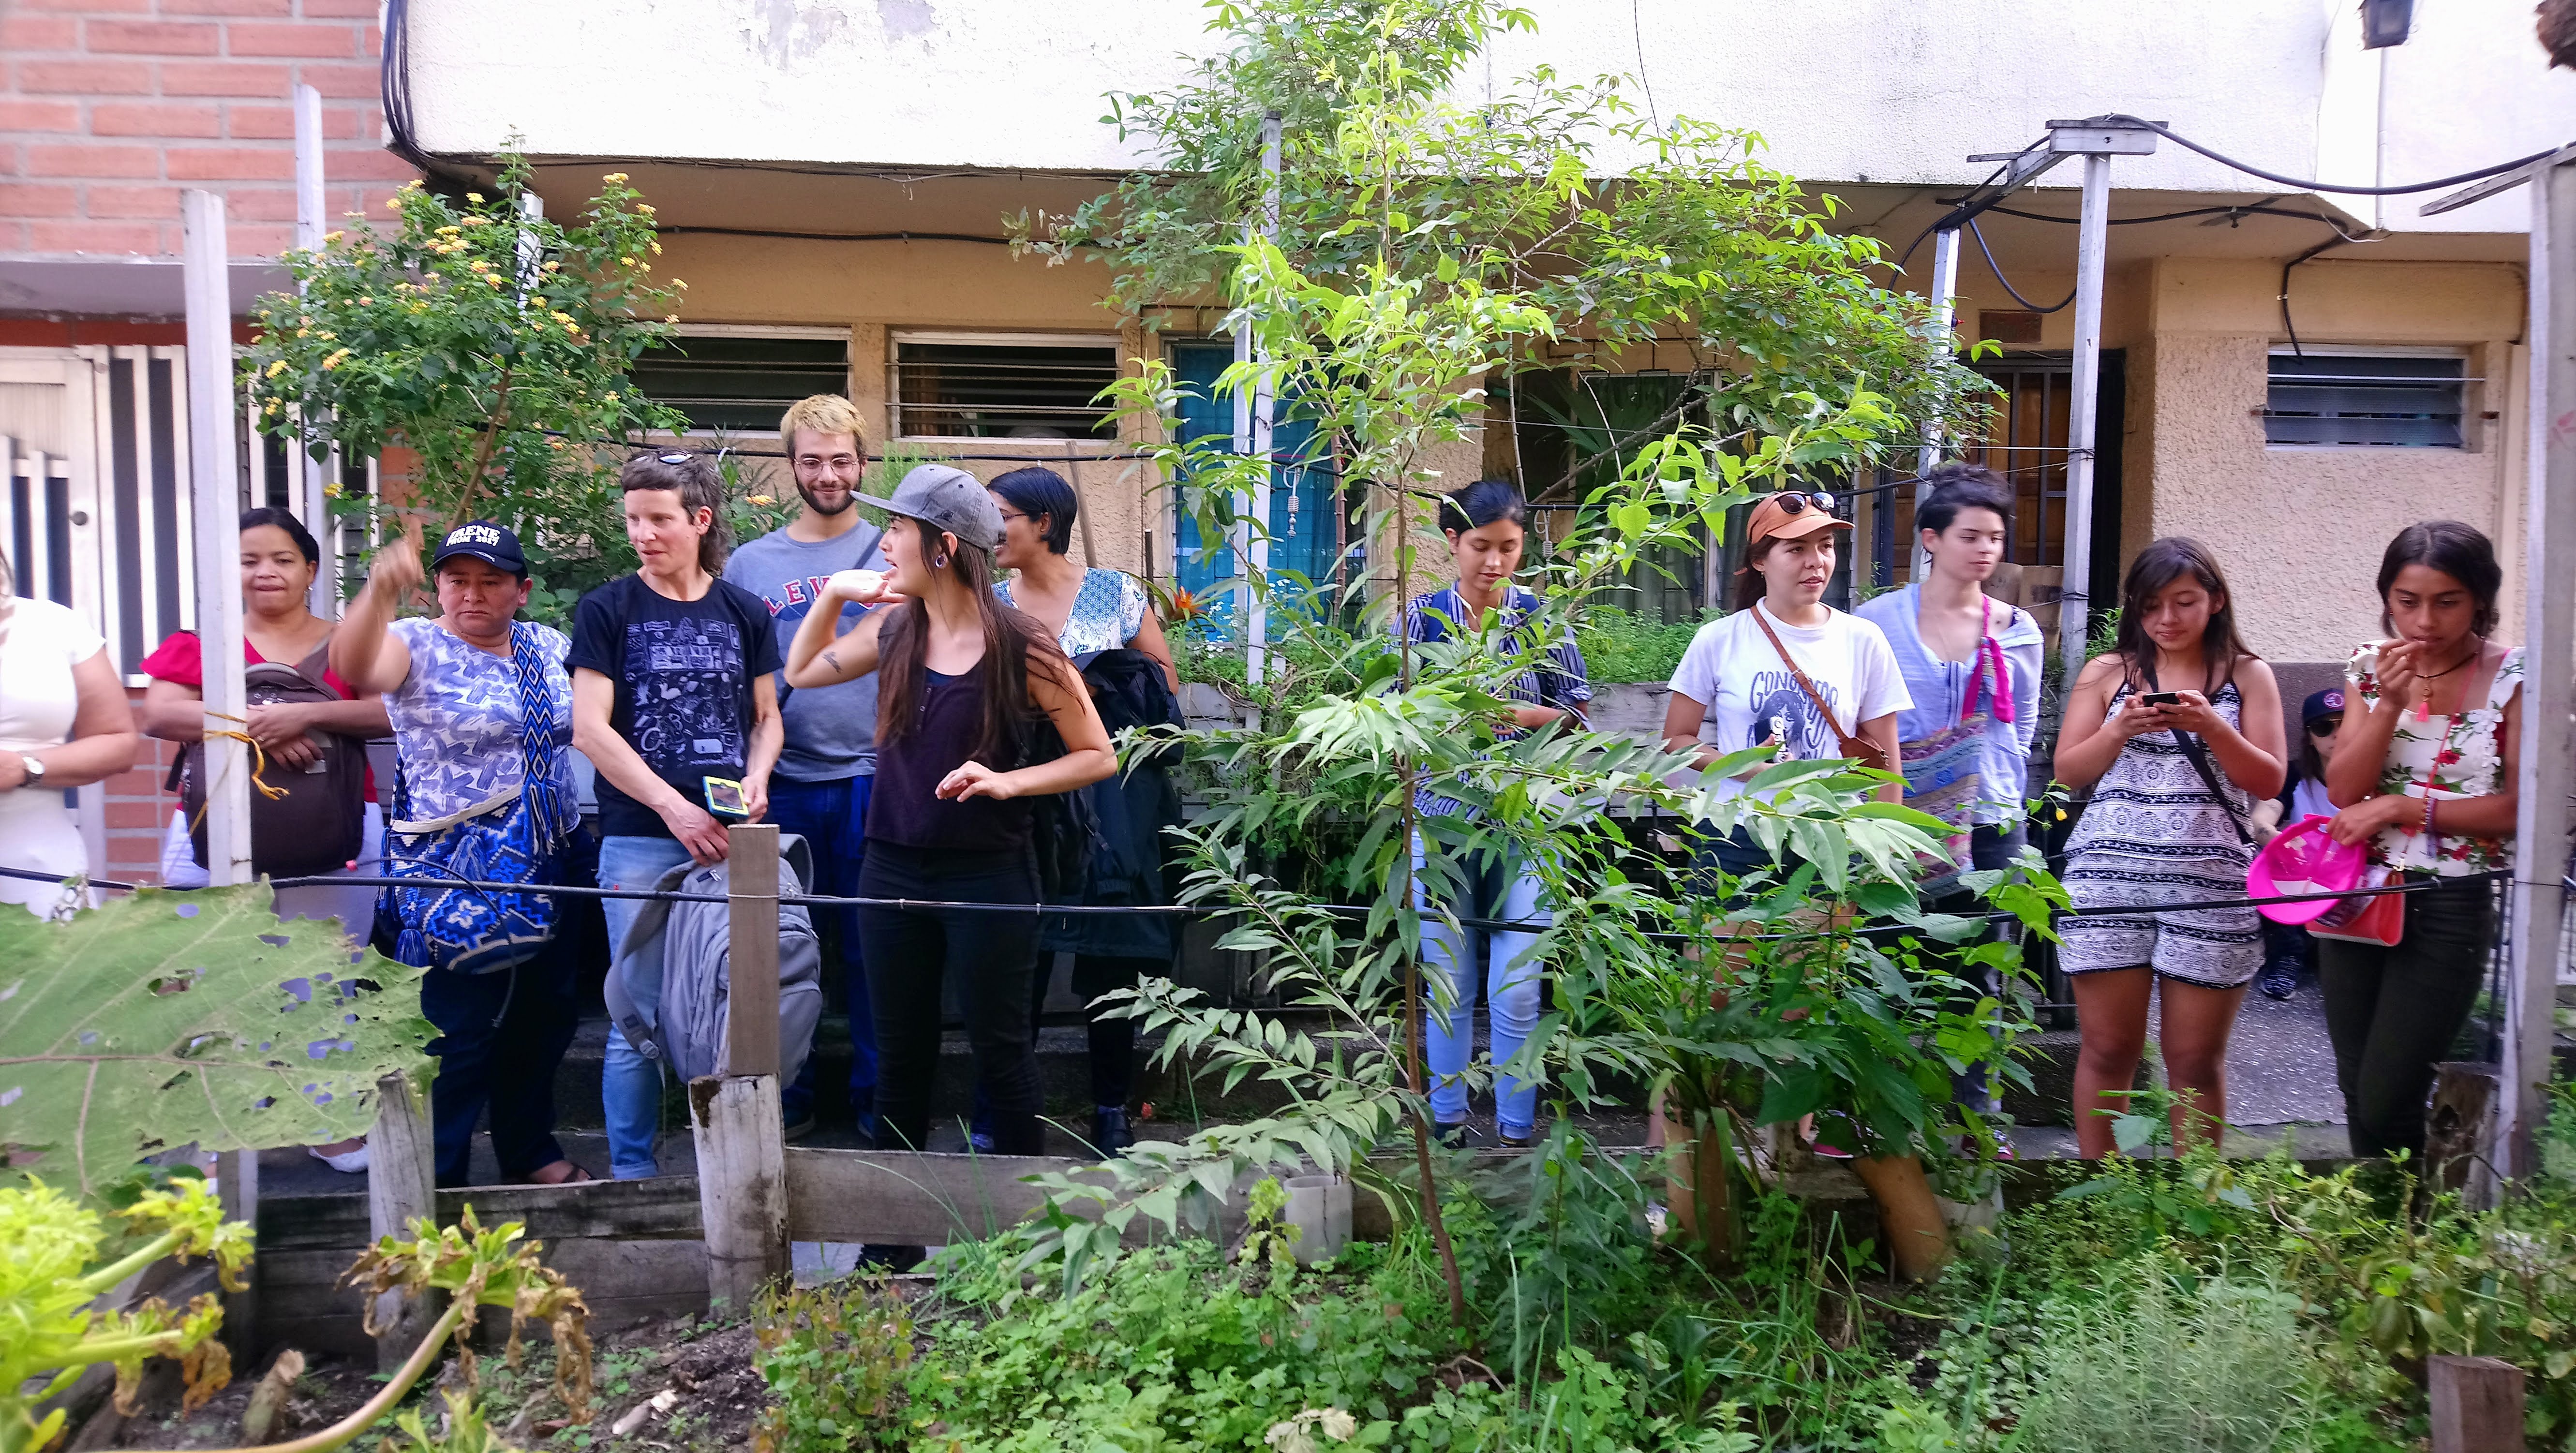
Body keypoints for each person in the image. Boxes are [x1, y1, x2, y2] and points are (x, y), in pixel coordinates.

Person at [782, 464, 1113, 1166]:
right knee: (902, 1057)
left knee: (1002, 1054)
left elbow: (1096, 755)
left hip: (991, 875)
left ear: (944, 546)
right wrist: (836, 594)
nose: (884, 546)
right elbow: (803, 672)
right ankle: (891, 1246)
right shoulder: (894, 628)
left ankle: (1023, 1242)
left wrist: (1008, 781)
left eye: (897, 530)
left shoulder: (1024, 644)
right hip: (890, 866)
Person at [331, 519, 589, 1187]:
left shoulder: (547, 645)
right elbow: (353, 666)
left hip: (551, 855)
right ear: (438, 588)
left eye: (491, 581)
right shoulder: (414, 644)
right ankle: (433, 1177)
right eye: (458, 580)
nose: (472, 594)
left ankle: (528, 1150)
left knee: (545, 1014)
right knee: (455, 1029)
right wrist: (381, 588)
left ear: (522, 590)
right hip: (453, 869)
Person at [570, 451, 784, 1180]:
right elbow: (591, 731)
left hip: (732, 839)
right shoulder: (607, 609)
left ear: (700, 520)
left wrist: (757, 777)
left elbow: (765, 717)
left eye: (659, 519)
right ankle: (633, 1181)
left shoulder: (745, 612)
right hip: (638, 838)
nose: (643, 534)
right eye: (633, 519)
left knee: (734, 1009)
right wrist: (673, 810)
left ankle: (730, 1171)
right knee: (638, 1020)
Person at [2053, 537, 2285, 1156]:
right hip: (2107, 877)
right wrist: (2119, 727)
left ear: (2216, 600)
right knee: (2107, 1049)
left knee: (2195, 1060)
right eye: (2152, 604)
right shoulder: (2108, 671)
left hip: (2211, 883)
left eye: (2184, 602)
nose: (2168, 619)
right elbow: (2069, 771)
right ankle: (2100, 1198)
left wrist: (2213, 725)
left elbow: (2268, 780)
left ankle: (2197, 1210)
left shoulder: (2248, 673)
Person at [988, 465, 1181, 1154]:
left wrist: (1094, 684)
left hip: (1111, 799)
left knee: (1110, 955)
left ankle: (1109, 1108)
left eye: (1000, 515)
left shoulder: (1115, 591)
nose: (989, 529)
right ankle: (1008, 1110)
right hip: (1021, 791)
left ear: (1044, 523)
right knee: (1020, 952)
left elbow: (1163, 687)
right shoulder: (988, 600)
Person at [1397, 479, 1590, 1148]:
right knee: (1448, 981)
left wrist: (1516, 716)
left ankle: (1515, 1132)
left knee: (1515, 987)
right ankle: (1446, 1129)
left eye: (1510, 547)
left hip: (1526, 823)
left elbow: (1579, 716)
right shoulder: (1419, 620)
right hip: (1441, 823)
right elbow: (1398, 722)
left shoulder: (1542, 618)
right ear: (1452, 541)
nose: (1496, 563)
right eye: (1481, 546)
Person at [2321, 521, 2520, 1161]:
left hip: (2451, 900)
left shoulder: (2514, 676)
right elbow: (2343, 791)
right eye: (2407, 601)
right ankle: (2377, 1242)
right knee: (2356, 1089)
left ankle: (2424, 1234)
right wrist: (2387, 705)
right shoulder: (2367, 665)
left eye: (2447, 601)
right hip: (2356, 893)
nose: (2424, 621)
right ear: (2387, 597)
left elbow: (2516, 810)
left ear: (2480, 600)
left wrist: (2406, 806)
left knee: (2388, 1095)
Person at [723, 395, 892, 1139]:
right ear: (791, 465)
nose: (829, 474)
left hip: (870, 778)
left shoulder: (895, 549)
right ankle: (779, 1102)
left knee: (872, 954)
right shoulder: (750, 564)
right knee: (772, 953)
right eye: (813, 461)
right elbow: (734, 677)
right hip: (778, 783)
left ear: (863, 462)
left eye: (842, 461)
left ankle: (877, 1103)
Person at [1854, 465, 2042, 1120]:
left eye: (1995, 537)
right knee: (1894, 965)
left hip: (1992, 821)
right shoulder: (1873, 624)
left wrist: (1979, 787)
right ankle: (1891, 1121)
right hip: (1901, 825)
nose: (1986, 549)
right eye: (1970, 536)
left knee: (1984, 974)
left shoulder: (2019, 629)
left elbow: (2018, 730)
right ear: (1930, 540)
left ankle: (1975, 1125)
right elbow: (1860, 726)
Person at [140, 508, 390, 942]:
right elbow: (160, 714)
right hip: (210, 826)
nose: (266, 572)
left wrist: (304, 716)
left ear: (310, 570)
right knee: (212, 978)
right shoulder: (201, 645)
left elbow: (387, 715)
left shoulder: (350, 644)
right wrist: (259, 726)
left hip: (339, 827)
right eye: (249, 561)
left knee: (324, 980)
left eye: (283, 560)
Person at [1662, 489, 1910, 868]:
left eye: (1826, 546)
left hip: (1830, 832)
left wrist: (1884, 846)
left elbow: (1886, 755)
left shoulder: (1862, 639)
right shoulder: (1719, 639)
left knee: (1825, 929)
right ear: (1760, 561)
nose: (1816, 562)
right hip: (1736, 834)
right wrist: (1751, 770)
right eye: (1796, 550)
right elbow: (1676, 740)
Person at [0, 551, 139, 918]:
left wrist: (24, 768)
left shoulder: (52, 625)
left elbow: (118, 743)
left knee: (55, 973)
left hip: (39, 864)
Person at [2252, 688, 2345, 1001]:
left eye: (2345, 724)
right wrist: (2288, 850)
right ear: (2308, 736)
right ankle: (2287, 956)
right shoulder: (2295, 775)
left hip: (2354, 873)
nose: (2336, 734)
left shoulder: (2376, 776)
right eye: (2324, 727)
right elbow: (2260, 821)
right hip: (2301, 875)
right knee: (2260, 862)